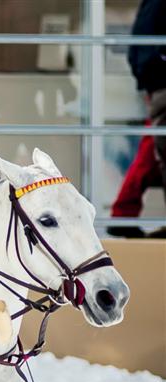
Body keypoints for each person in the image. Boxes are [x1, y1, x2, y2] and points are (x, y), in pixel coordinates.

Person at [110, 0, 166, 238]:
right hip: (161, 86)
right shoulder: (157, 4)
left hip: (158, 87)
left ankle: (123, 213)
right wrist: (154, 79)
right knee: (153, 148)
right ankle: (122, 213)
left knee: (150, 150)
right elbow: (143, 47)